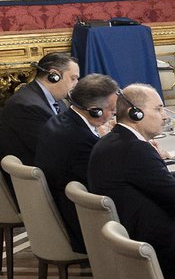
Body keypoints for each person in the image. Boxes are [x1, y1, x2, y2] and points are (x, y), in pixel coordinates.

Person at [87, 85, 175, 279]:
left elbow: (158, 179)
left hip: (128, 235)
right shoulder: (135, 149)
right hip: (154, 245)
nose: (165, 116)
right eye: (159, 109)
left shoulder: (114, 140)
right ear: (136, 113)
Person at [33, 73, 118, 253]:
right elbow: (108, 182)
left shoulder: (61, 120)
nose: (114, 113)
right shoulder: (79, 139)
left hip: (65, 207)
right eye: (111, 109)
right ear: (94, 110)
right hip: (82, 224)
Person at [0, 53, 79, 185]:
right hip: (38, 184)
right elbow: (53, 150)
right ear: (54, 76)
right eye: (73, 78)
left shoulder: (57, 101)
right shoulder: (26, 106)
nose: (76, 84)